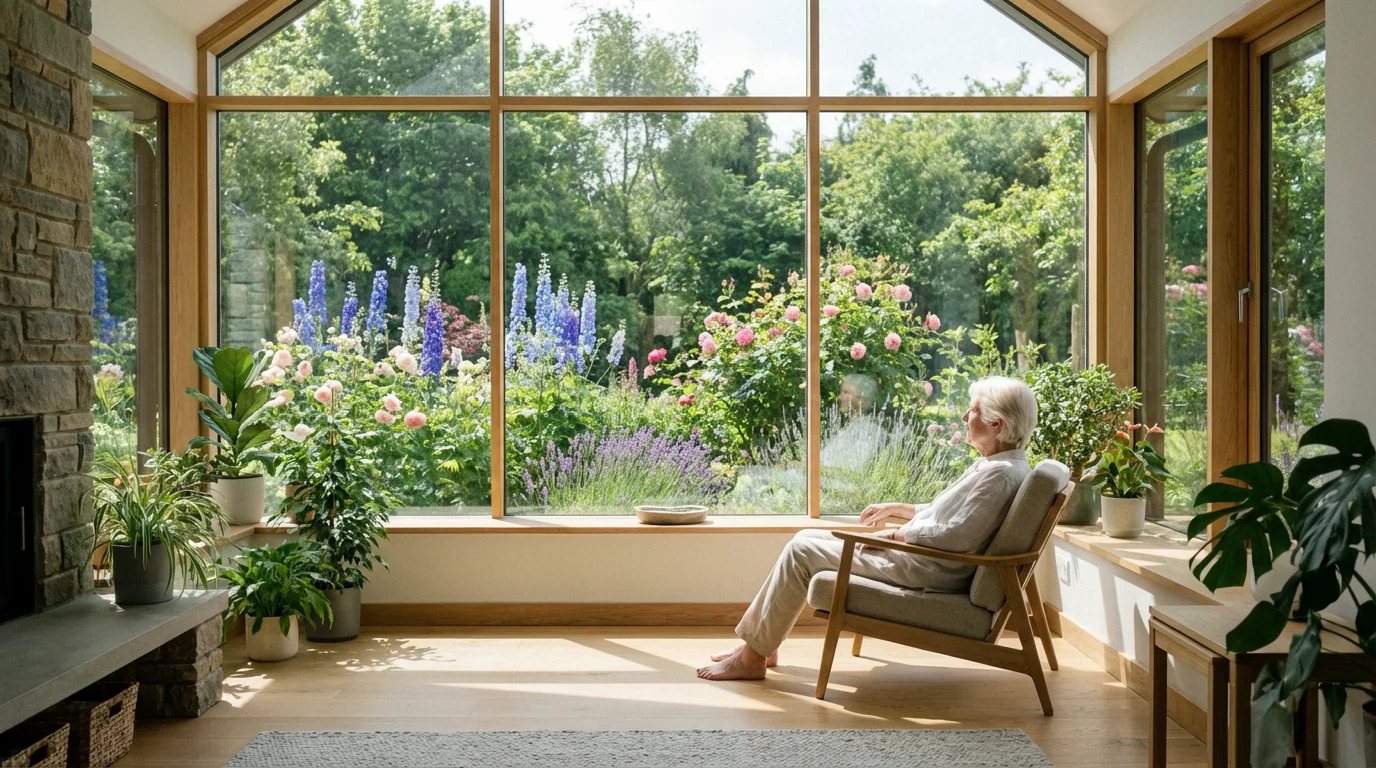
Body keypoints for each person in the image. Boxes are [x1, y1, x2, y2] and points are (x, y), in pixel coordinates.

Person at [697, 375, 1038, 681]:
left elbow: (956, 535)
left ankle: (753, 657)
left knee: (802, 550)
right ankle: (761, 645)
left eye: (973, 411)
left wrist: (895, 536)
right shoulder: (998, 466)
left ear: (996, 423)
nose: (965, 418)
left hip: (924, 568)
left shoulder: (1000, 475)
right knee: (803, 539)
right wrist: (898, 509)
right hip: (925, 559)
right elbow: (949, 517)